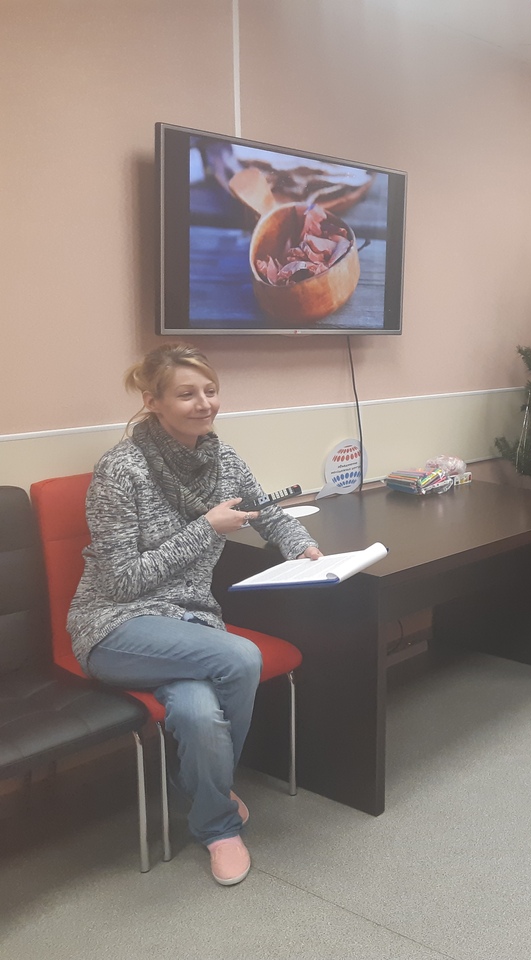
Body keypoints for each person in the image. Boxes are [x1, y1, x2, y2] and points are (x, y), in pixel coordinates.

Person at [68, 344, 321, 886]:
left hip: (190, 625)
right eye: (186, 394)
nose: (204, 403)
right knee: (241, 658)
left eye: (210, 390)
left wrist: (302, 546)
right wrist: (205, 529)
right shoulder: (120, 469)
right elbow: (120, 580)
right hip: (115, 625)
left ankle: (214, 822)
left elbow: (268, 512)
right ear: (152, 401)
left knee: (200, 713)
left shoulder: (223, 460)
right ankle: (216, 800)